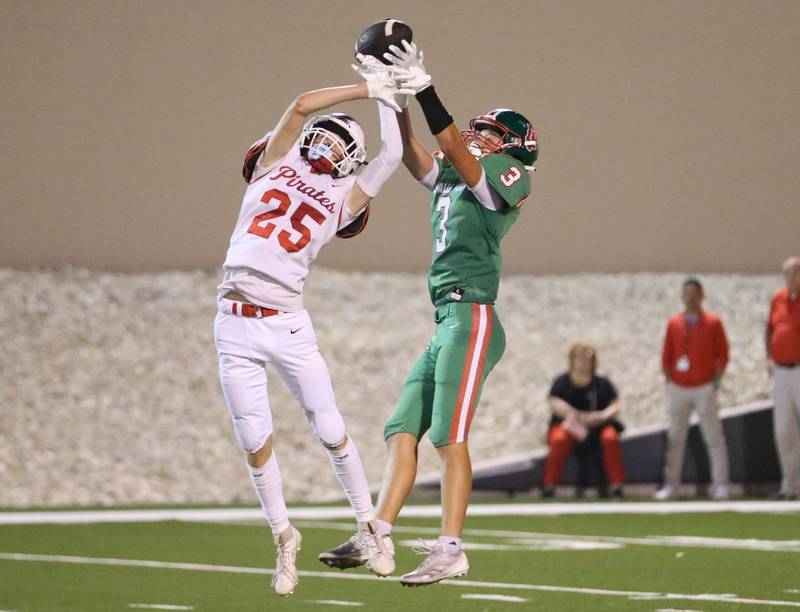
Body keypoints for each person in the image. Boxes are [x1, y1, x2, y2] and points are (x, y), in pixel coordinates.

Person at [319, 41, 538, 586]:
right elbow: (410, 148)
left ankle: (451, 548)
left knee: (448, 435)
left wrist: (426, 88)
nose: (475, 134)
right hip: (446, 320)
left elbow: (455, 153)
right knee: (401, 428)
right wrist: (390, 93)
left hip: (474, 317)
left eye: (489, 132)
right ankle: (378, 531)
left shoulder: (506, 177)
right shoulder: (452, 174)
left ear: (511, 147)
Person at [213, 69, 413, 596]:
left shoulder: (347, 195)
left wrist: (391, 98)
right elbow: (302, 104)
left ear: (352, 160)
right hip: (234, 321)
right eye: (324, 132)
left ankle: (371, 527)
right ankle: (283, 537)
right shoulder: (272, 163)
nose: (327, 140)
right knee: (253, 438)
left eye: (342, 140)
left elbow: (391, 155)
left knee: (329, 426)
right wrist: (369, 88)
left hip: (286, 320)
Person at [655, 278, 730, 501]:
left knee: (714, 436)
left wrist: (714, 381)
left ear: (701, 296)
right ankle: (671, 485)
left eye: (694, 293)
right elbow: (667, 354)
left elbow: (723, 354)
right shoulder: (674, 323)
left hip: (704, 387)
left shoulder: (713, 322)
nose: (690, 297)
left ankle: (721, 485)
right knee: (675, 438)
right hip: (679, 387)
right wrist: (670, 380)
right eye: (686, 293)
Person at [542, 343, 625, 498]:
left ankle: (617, 486)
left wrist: (601, 416)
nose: (583, 362)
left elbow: (615, 405)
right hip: (569, 427)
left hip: (598, 427)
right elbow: (554, 402)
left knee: (610, 438)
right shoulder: (562, 382)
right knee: (558, 439)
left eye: (588, 358)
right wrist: (576, 415)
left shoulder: (601, 383)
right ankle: (549, 485)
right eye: (579, 357)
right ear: (572, 359)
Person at [765, 256, 800, 500]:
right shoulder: (778, 299)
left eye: (796, 272)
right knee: (783, 429)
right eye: (788, 273)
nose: (791, 277)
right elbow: (770, 329)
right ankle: (789, 485)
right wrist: (769, 357)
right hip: (781, 371)